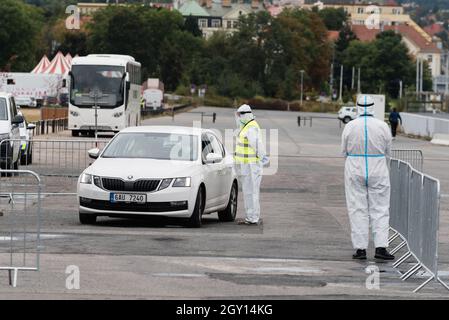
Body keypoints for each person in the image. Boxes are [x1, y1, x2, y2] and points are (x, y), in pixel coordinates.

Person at [341, 95, 395, 261]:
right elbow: (389, 150)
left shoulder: (350, 126)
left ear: (357, 107)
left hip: (354, 167)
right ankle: (380, 247)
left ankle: (360, 249)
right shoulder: (382, 126)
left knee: (357, 208)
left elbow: (343, 151)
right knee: (380, 208)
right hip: (377, 167)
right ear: (373, 107)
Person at [234, 104, 269, 225]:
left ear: (245, 115)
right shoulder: (245, 126)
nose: (238, 117)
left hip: (253, 164)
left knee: (253, 191)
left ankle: (254, 217)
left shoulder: (251, 127)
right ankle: (249, 217)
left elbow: (257, 144)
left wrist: (263, 157)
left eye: (240, 115)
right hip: (246, 164)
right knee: (248, 190)